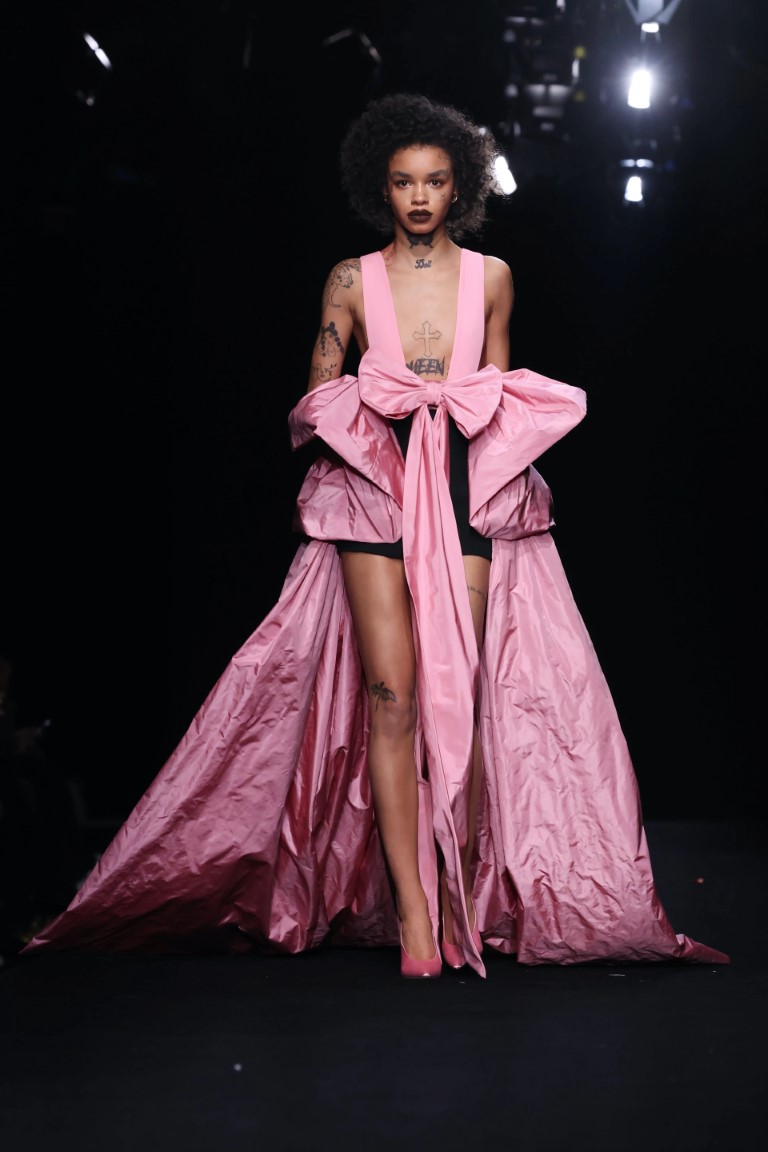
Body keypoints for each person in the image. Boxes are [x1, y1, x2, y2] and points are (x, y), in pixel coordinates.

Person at [22, 93, 729, 977]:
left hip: (465, 485)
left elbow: (497, 396)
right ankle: (415, 916)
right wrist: (354, 442)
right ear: (379, 188)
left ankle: (458, 893)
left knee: (462, 696)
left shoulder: (493, 277)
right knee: (392, 698)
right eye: (403, 181)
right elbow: (320, 396)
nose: (420, 196)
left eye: (435, 180)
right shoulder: (350, 281)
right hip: (373, 488)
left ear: (460, 187)